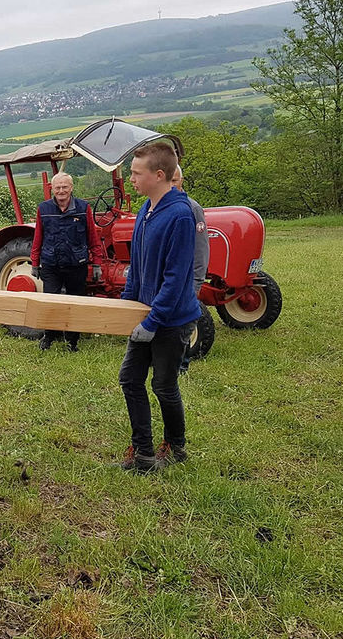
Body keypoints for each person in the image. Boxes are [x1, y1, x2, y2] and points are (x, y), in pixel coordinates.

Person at [117, 142, 201, 473]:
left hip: (171, 320)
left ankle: (176, 448)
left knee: (164, 385)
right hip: (145, 313)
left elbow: (176, 277)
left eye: (137, 173)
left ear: (159, 175)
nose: (131, 179)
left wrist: (154, 320)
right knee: (130, 379)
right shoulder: (146, 211)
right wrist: (127, 303)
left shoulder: (180, 216)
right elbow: (137, 267)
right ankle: (143, 454)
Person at [29, 172, 104, 351]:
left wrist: (97, 263)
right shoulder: (44, 209)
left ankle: (72, 341)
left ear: (71, 188)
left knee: (75, 302)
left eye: (65, 187)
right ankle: (49, 336)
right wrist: (34, 262)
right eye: (58, 187)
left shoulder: (83, 208)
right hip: (51, 264)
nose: (61, 190)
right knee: (50, 301)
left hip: (76, 264)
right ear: (52, 189)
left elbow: (92, 237)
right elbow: (38, 236)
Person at [172, 164, 209, 373]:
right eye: (169, 181)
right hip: (166, 279)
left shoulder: (192, 208)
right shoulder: (155, 207)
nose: (172, 185)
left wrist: (196, 282)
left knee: (182, 323)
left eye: (175, 181)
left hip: (185, 280)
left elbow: (201, 249)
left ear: (182, 182)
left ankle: (182, 366)